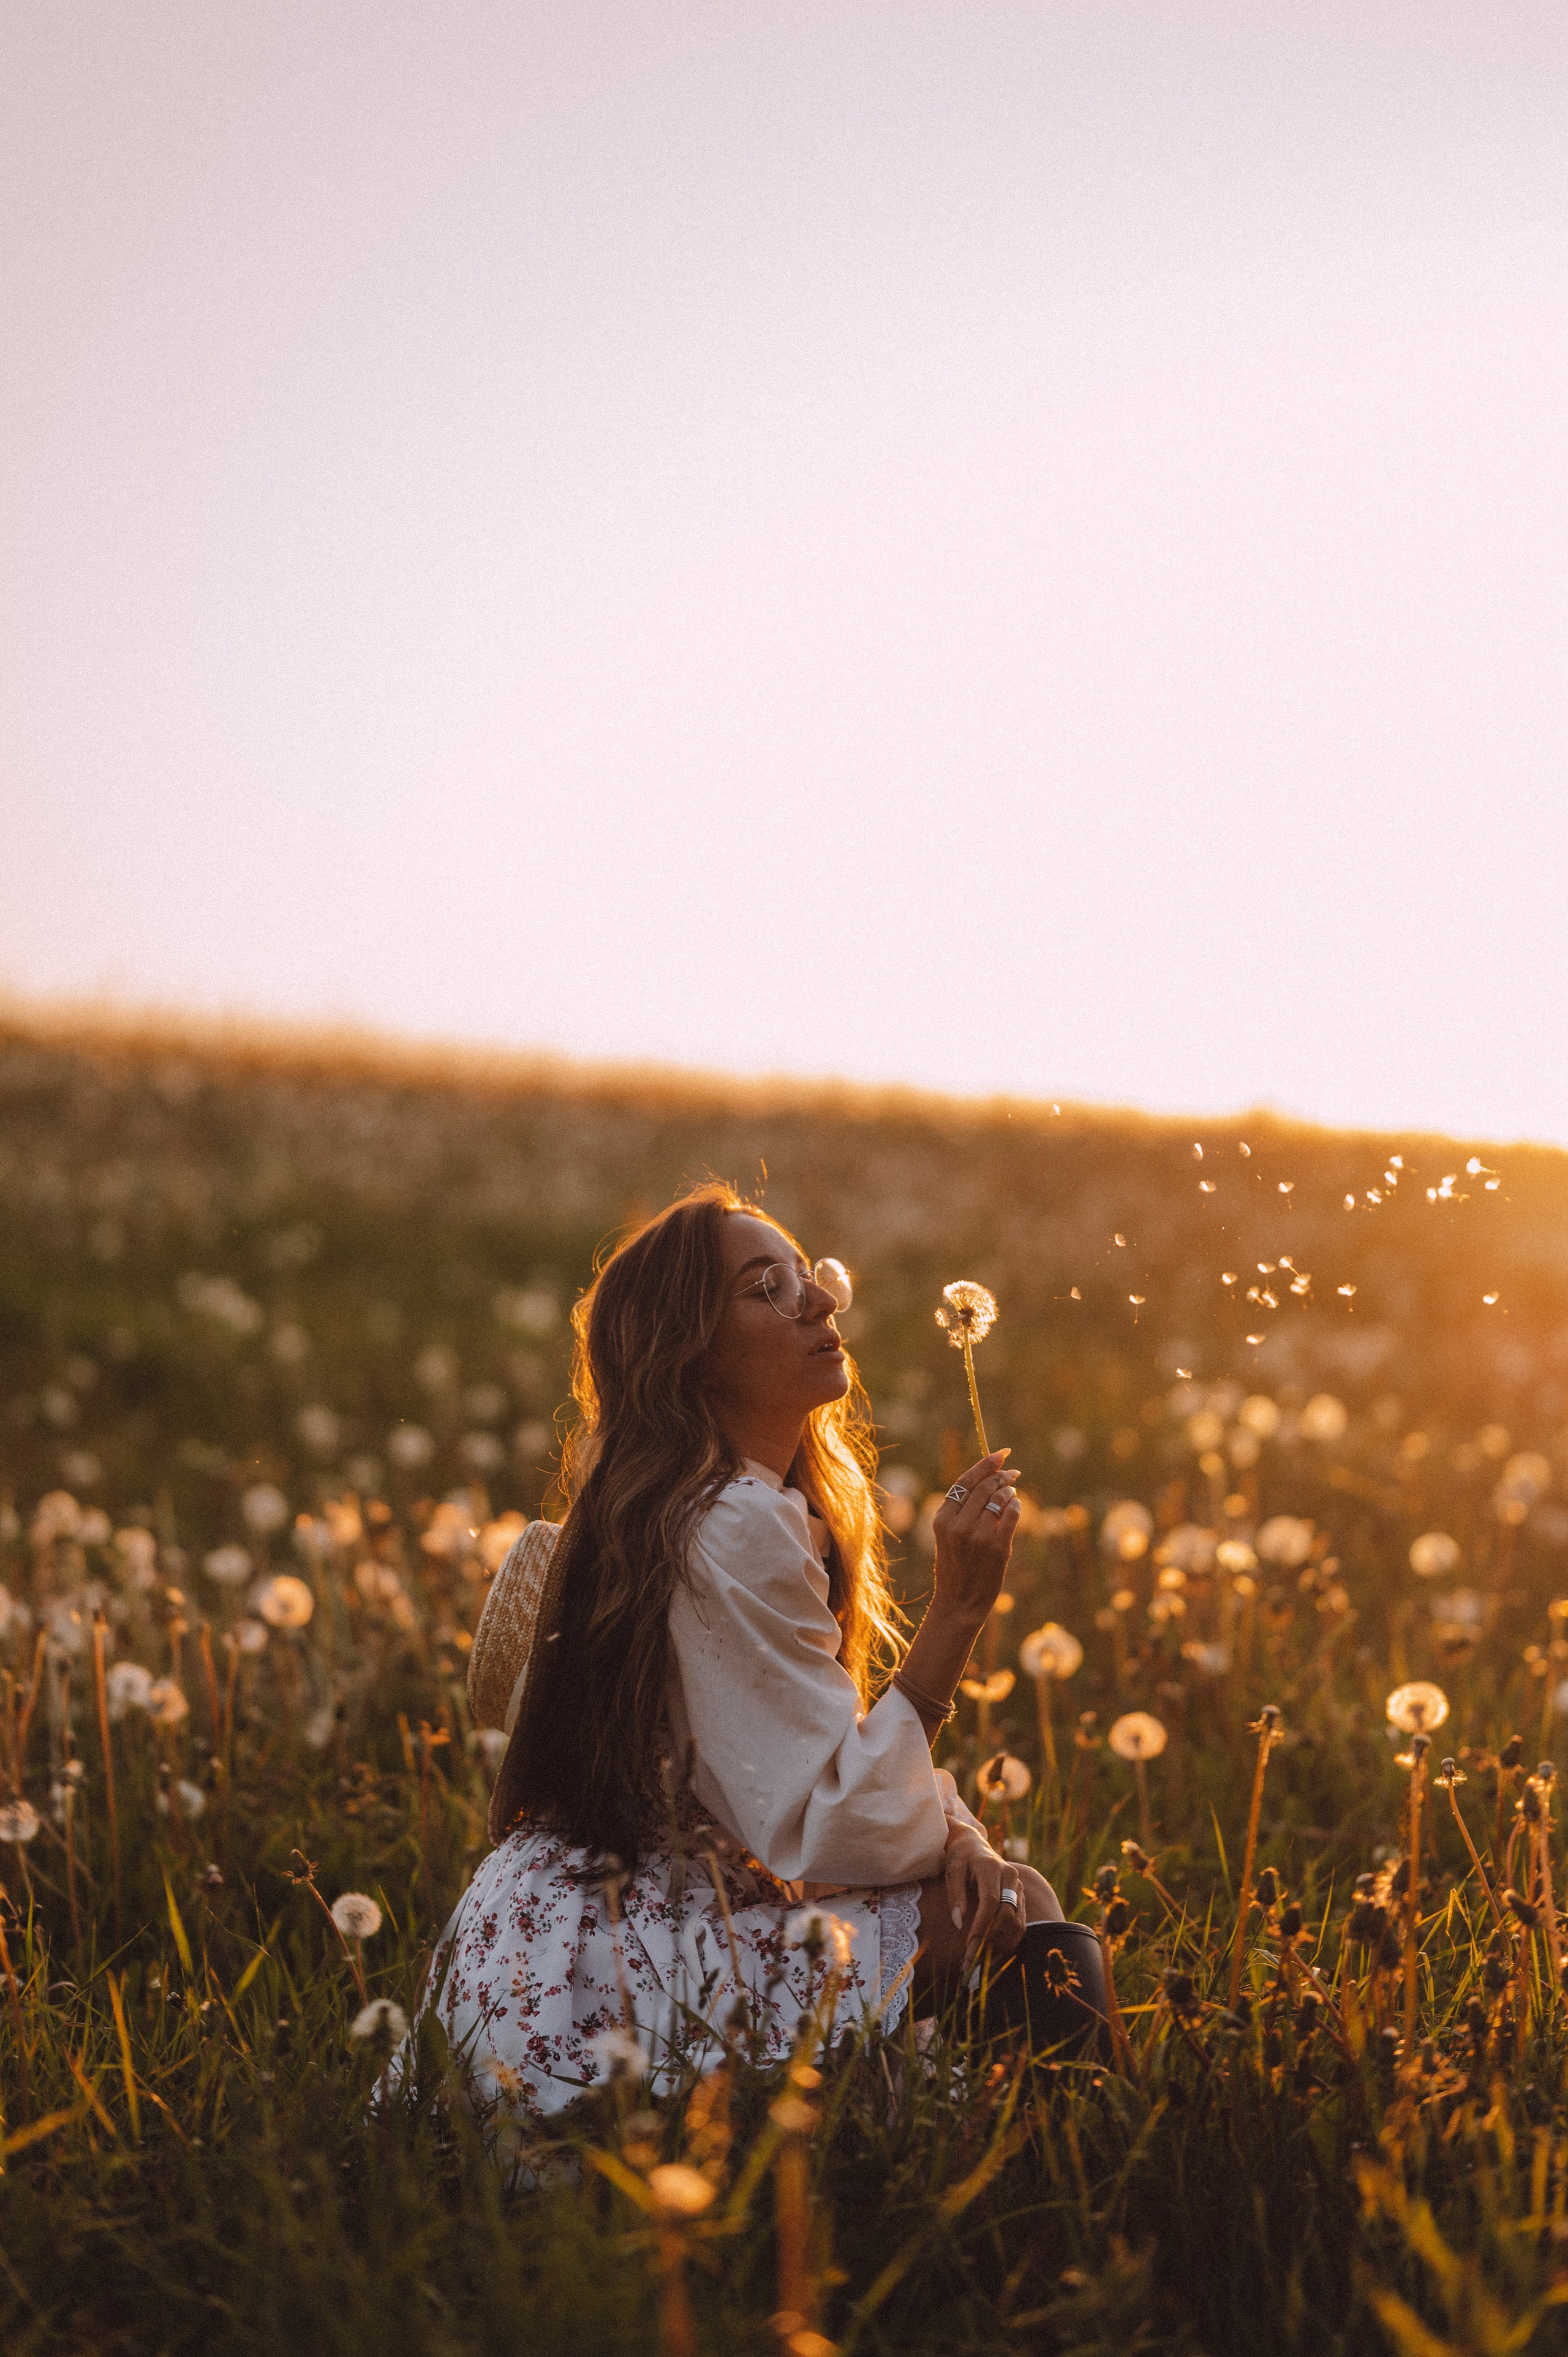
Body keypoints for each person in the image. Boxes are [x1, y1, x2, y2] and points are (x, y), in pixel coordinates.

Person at [420, 1183, 1063, 2129]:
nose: (821, 1300)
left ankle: (1006, 2148)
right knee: (1011, 1909)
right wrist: (957, 1613)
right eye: (769, 1289)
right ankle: (1081, 2170)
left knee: (988, 1892)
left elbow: (812, 1770)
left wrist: (958, 1834)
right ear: (691, 1354)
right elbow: (826, 1823)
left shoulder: (706, 1506)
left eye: (809, 1275)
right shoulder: (736, 1521)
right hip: (615, 1962)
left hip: (534, 1946)